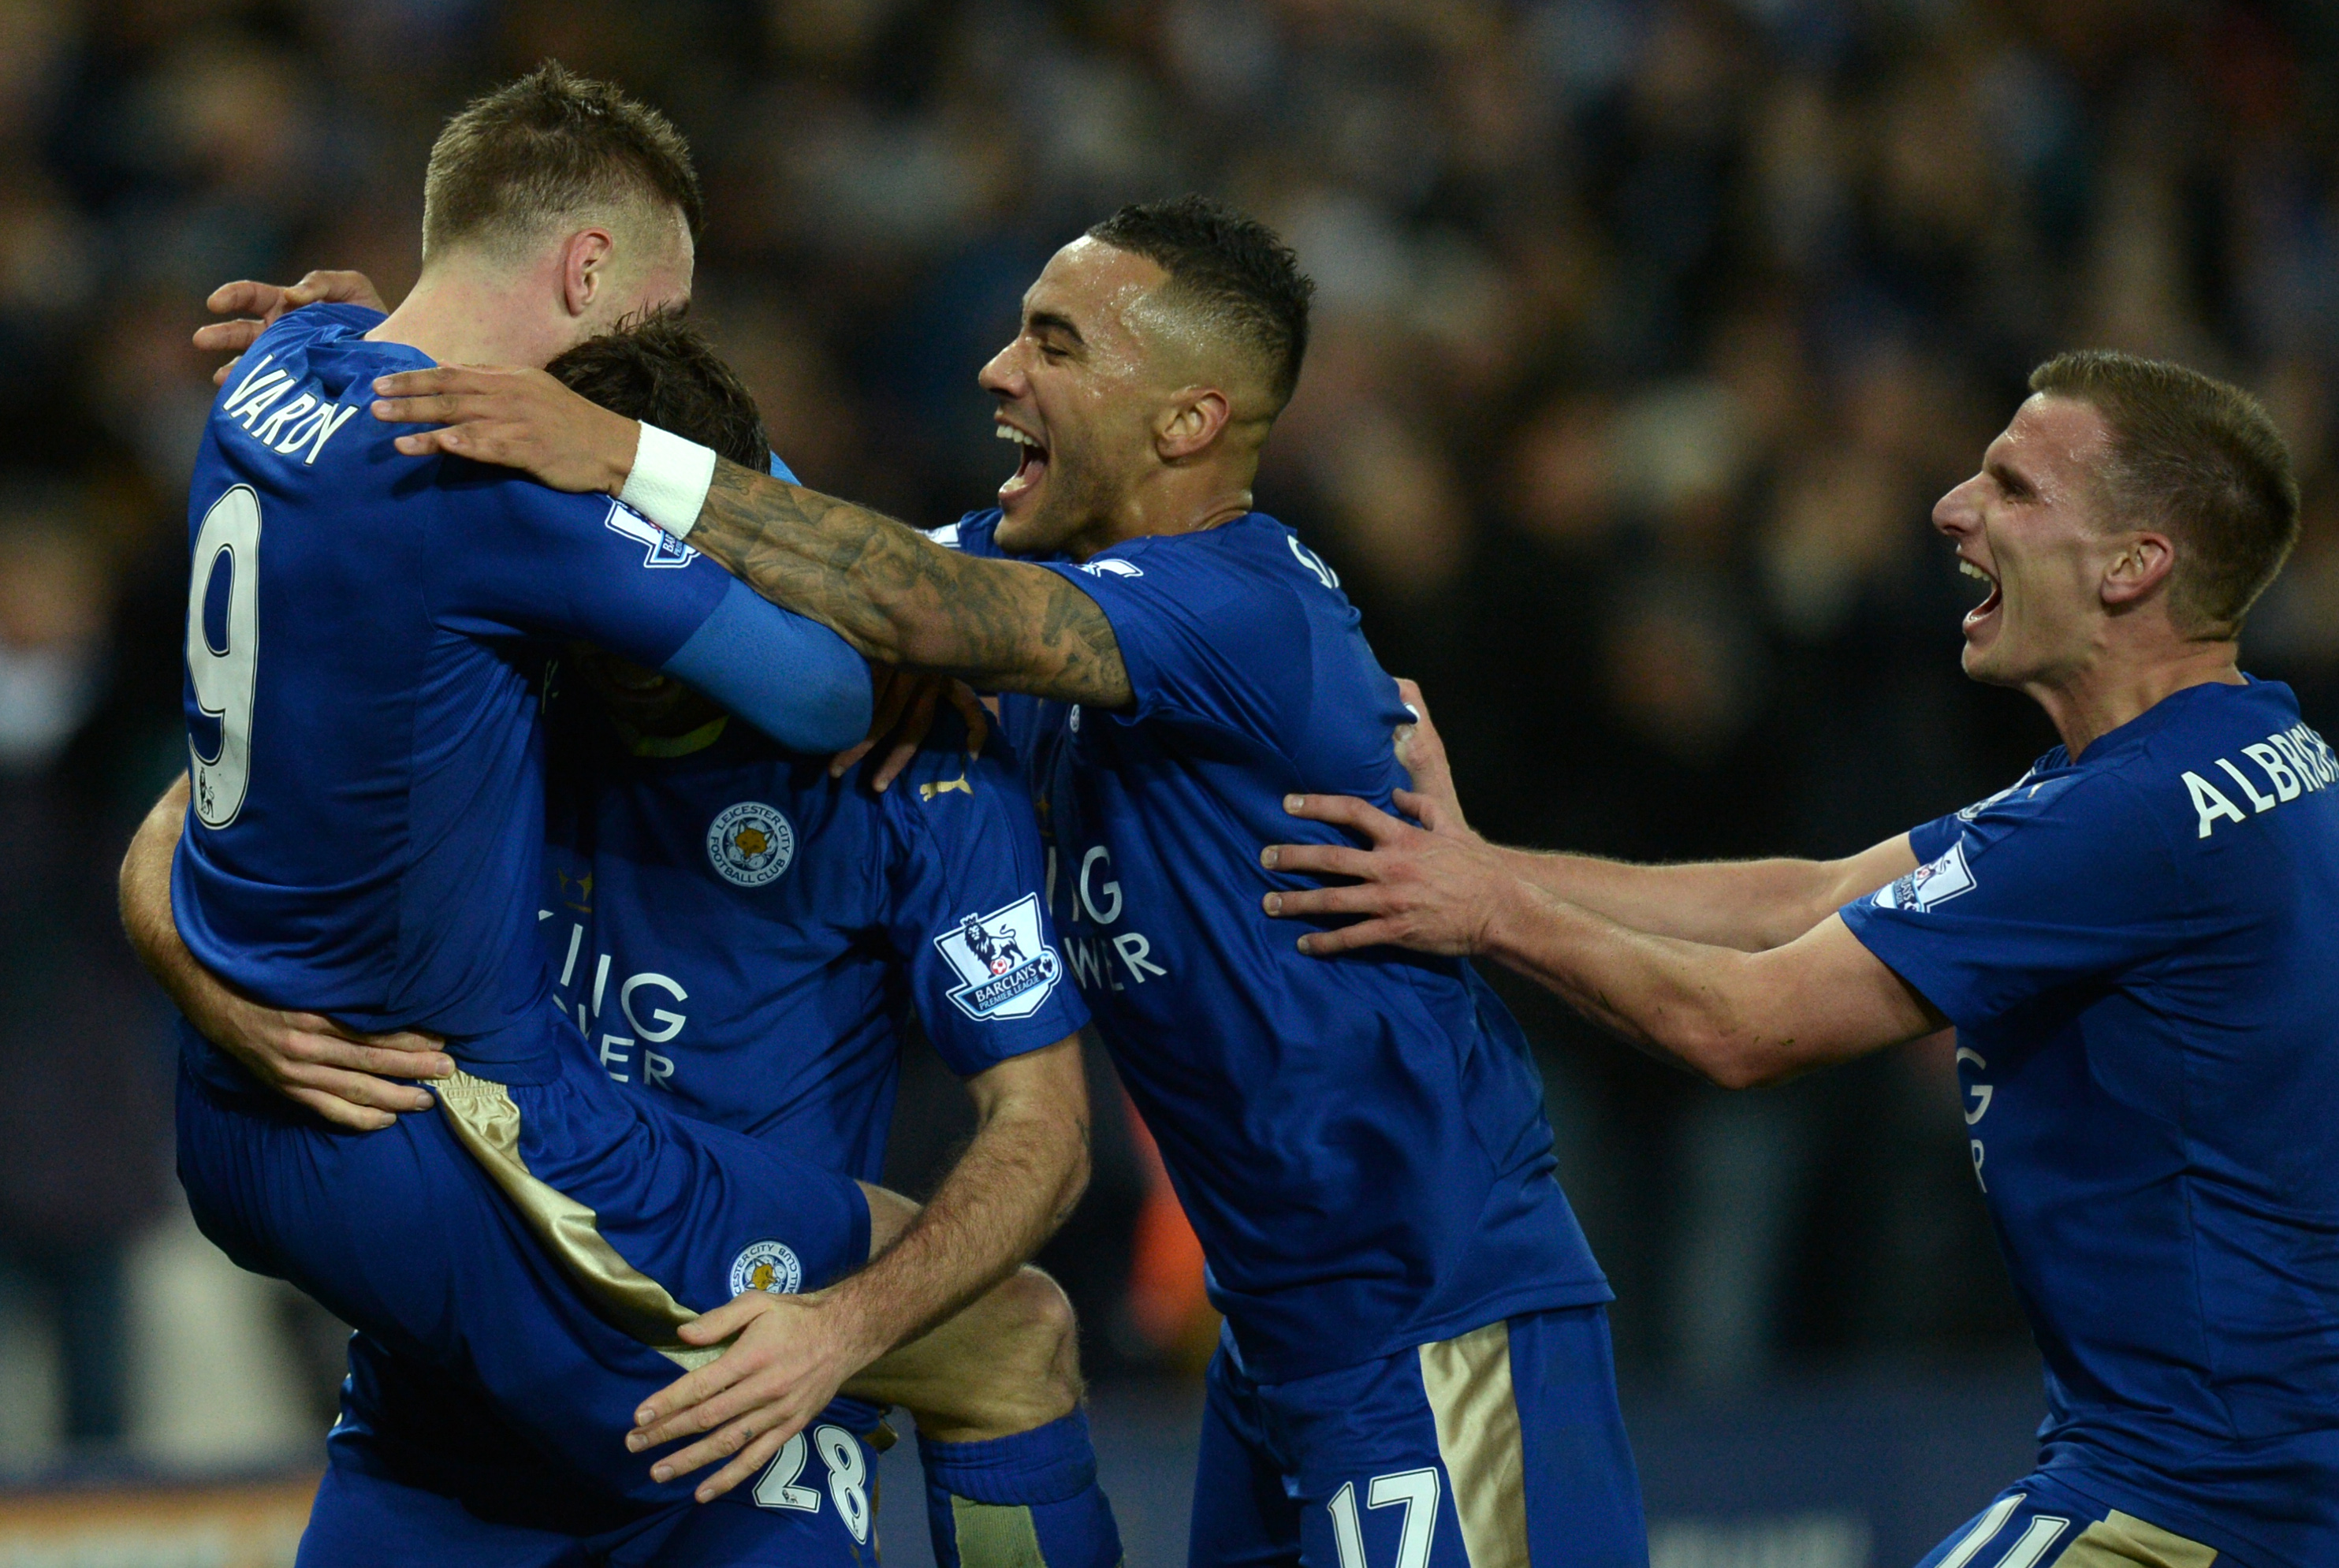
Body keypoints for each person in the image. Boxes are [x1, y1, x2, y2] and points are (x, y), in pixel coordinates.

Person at [363, 196, 1649, 1567]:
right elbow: (812, 552)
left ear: (1187, 421)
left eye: (1056, 343)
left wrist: (619, 452)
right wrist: (396, 354)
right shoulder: (1037, 576)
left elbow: (904, 598)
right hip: (1280, 1349)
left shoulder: (1242, 605)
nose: (998, 369)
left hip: (1441, 1319)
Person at [130, 65, 1093, 1566]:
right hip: (462, 1136)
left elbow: (191, 798)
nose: (660, 347)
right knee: (1006, 1334)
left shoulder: (289, 363)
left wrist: (193, 962)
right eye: (659, 309)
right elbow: (833, 687)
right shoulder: (501, 497)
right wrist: (683, 483)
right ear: (587, 271)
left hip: (252, 1114)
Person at [1257, 353, 2337, 1568]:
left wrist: (1488, 909)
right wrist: (1469, 860)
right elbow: (1805, 899)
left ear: (2133, 565)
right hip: (2264, 1475)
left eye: (2015, 487)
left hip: (2192, 1495)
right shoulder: (2243, 754)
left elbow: (1746, 1023)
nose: (1953, 508)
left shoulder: (2127, 819)